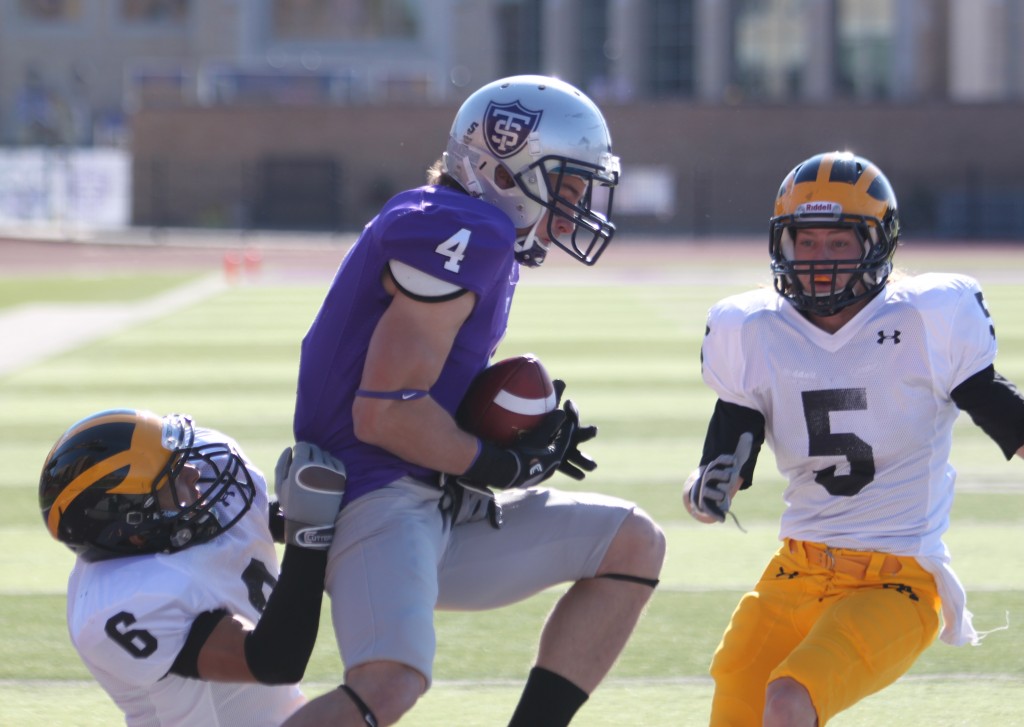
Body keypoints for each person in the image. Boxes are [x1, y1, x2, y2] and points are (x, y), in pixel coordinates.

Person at [284, 74, 666, 727]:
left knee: (632, 542)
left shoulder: (474, 230)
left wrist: (508, 437)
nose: (576, 204)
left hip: (429, 500)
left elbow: (416, 394)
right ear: (509, 168)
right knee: (388, 684)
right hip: (375, 498)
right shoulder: (467, 230)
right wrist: (497, 463)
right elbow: (384, 411)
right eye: (567, 184)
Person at [683, 150, 1024, 726]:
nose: (820, 260)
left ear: (878, 244)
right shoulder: (754, 329)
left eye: (839, 242)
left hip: (898, 580)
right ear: (781, 244)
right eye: (807, 241)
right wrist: (704, 493)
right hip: (795, 570)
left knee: (790, 698)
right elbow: (722, 461)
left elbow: (1008, 418)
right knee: (738, 702)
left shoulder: (926, 319)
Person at [38, 408, 347, 726]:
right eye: (171, 476)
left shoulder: (180, 511)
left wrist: (294, 514)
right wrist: (308, 537)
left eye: (178, 458)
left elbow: (243, 520)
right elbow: (273, 660)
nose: (194, 472)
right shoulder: (123, 602)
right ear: (134, 525)